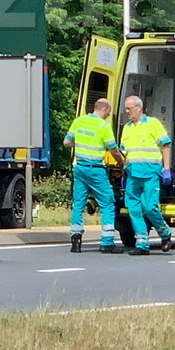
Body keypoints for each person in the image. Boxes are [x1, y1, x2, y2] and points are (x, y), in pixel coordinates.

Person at [63, 98, 123, 253]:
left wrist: (81, 144)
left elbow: (66, 142)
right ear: (104, 109)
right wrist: (123, 162)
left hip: (80, 168)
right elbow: (113, 149)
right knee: (107, 203)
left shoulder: (79, 121)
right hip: (96, 169)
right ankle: (107, 242)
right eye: (109, 112)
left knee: (78, 203)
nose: (109, 115)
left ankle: (75, 239)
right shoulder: (103, 126)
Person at [119, 94, 173, 256]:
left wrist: (167, 169)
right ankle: (142, 243)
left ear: (139, 108)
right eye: (126, 109)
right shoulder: (127, 127)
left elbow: (166, 145)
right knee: (133, 209)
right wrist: (123, 172)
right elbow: (124, 152)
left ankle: (165, 233)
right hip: (133, 173)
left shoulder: (153, 124)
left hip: (150, 172)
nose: (127, 112)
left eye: (129, 108)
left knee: (150, 207)